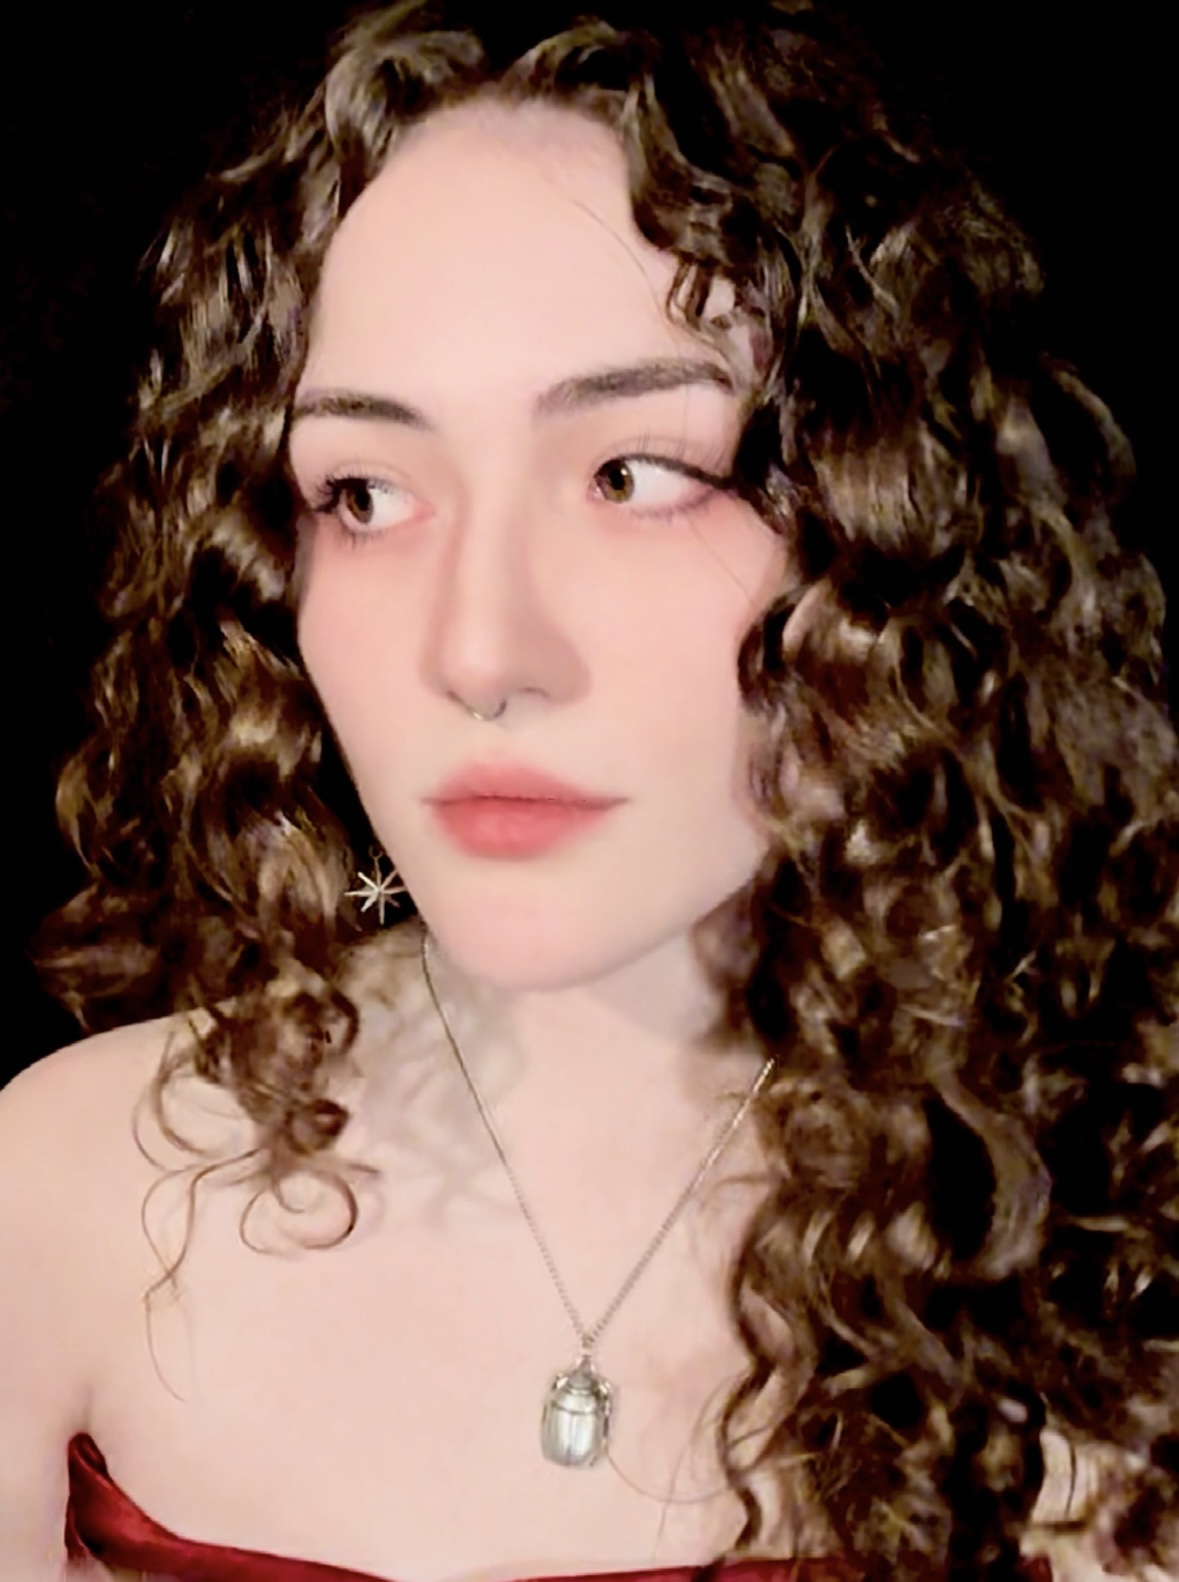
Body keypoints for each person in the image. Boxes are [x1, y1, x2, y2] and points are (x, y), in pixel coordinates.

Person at [2, 2, 1175, 1579]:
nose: (482, 651)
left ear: (887, 529)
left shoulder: (1117, 1246)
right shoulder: (64, 1197)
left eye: (635, 474)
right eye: (366, 491)